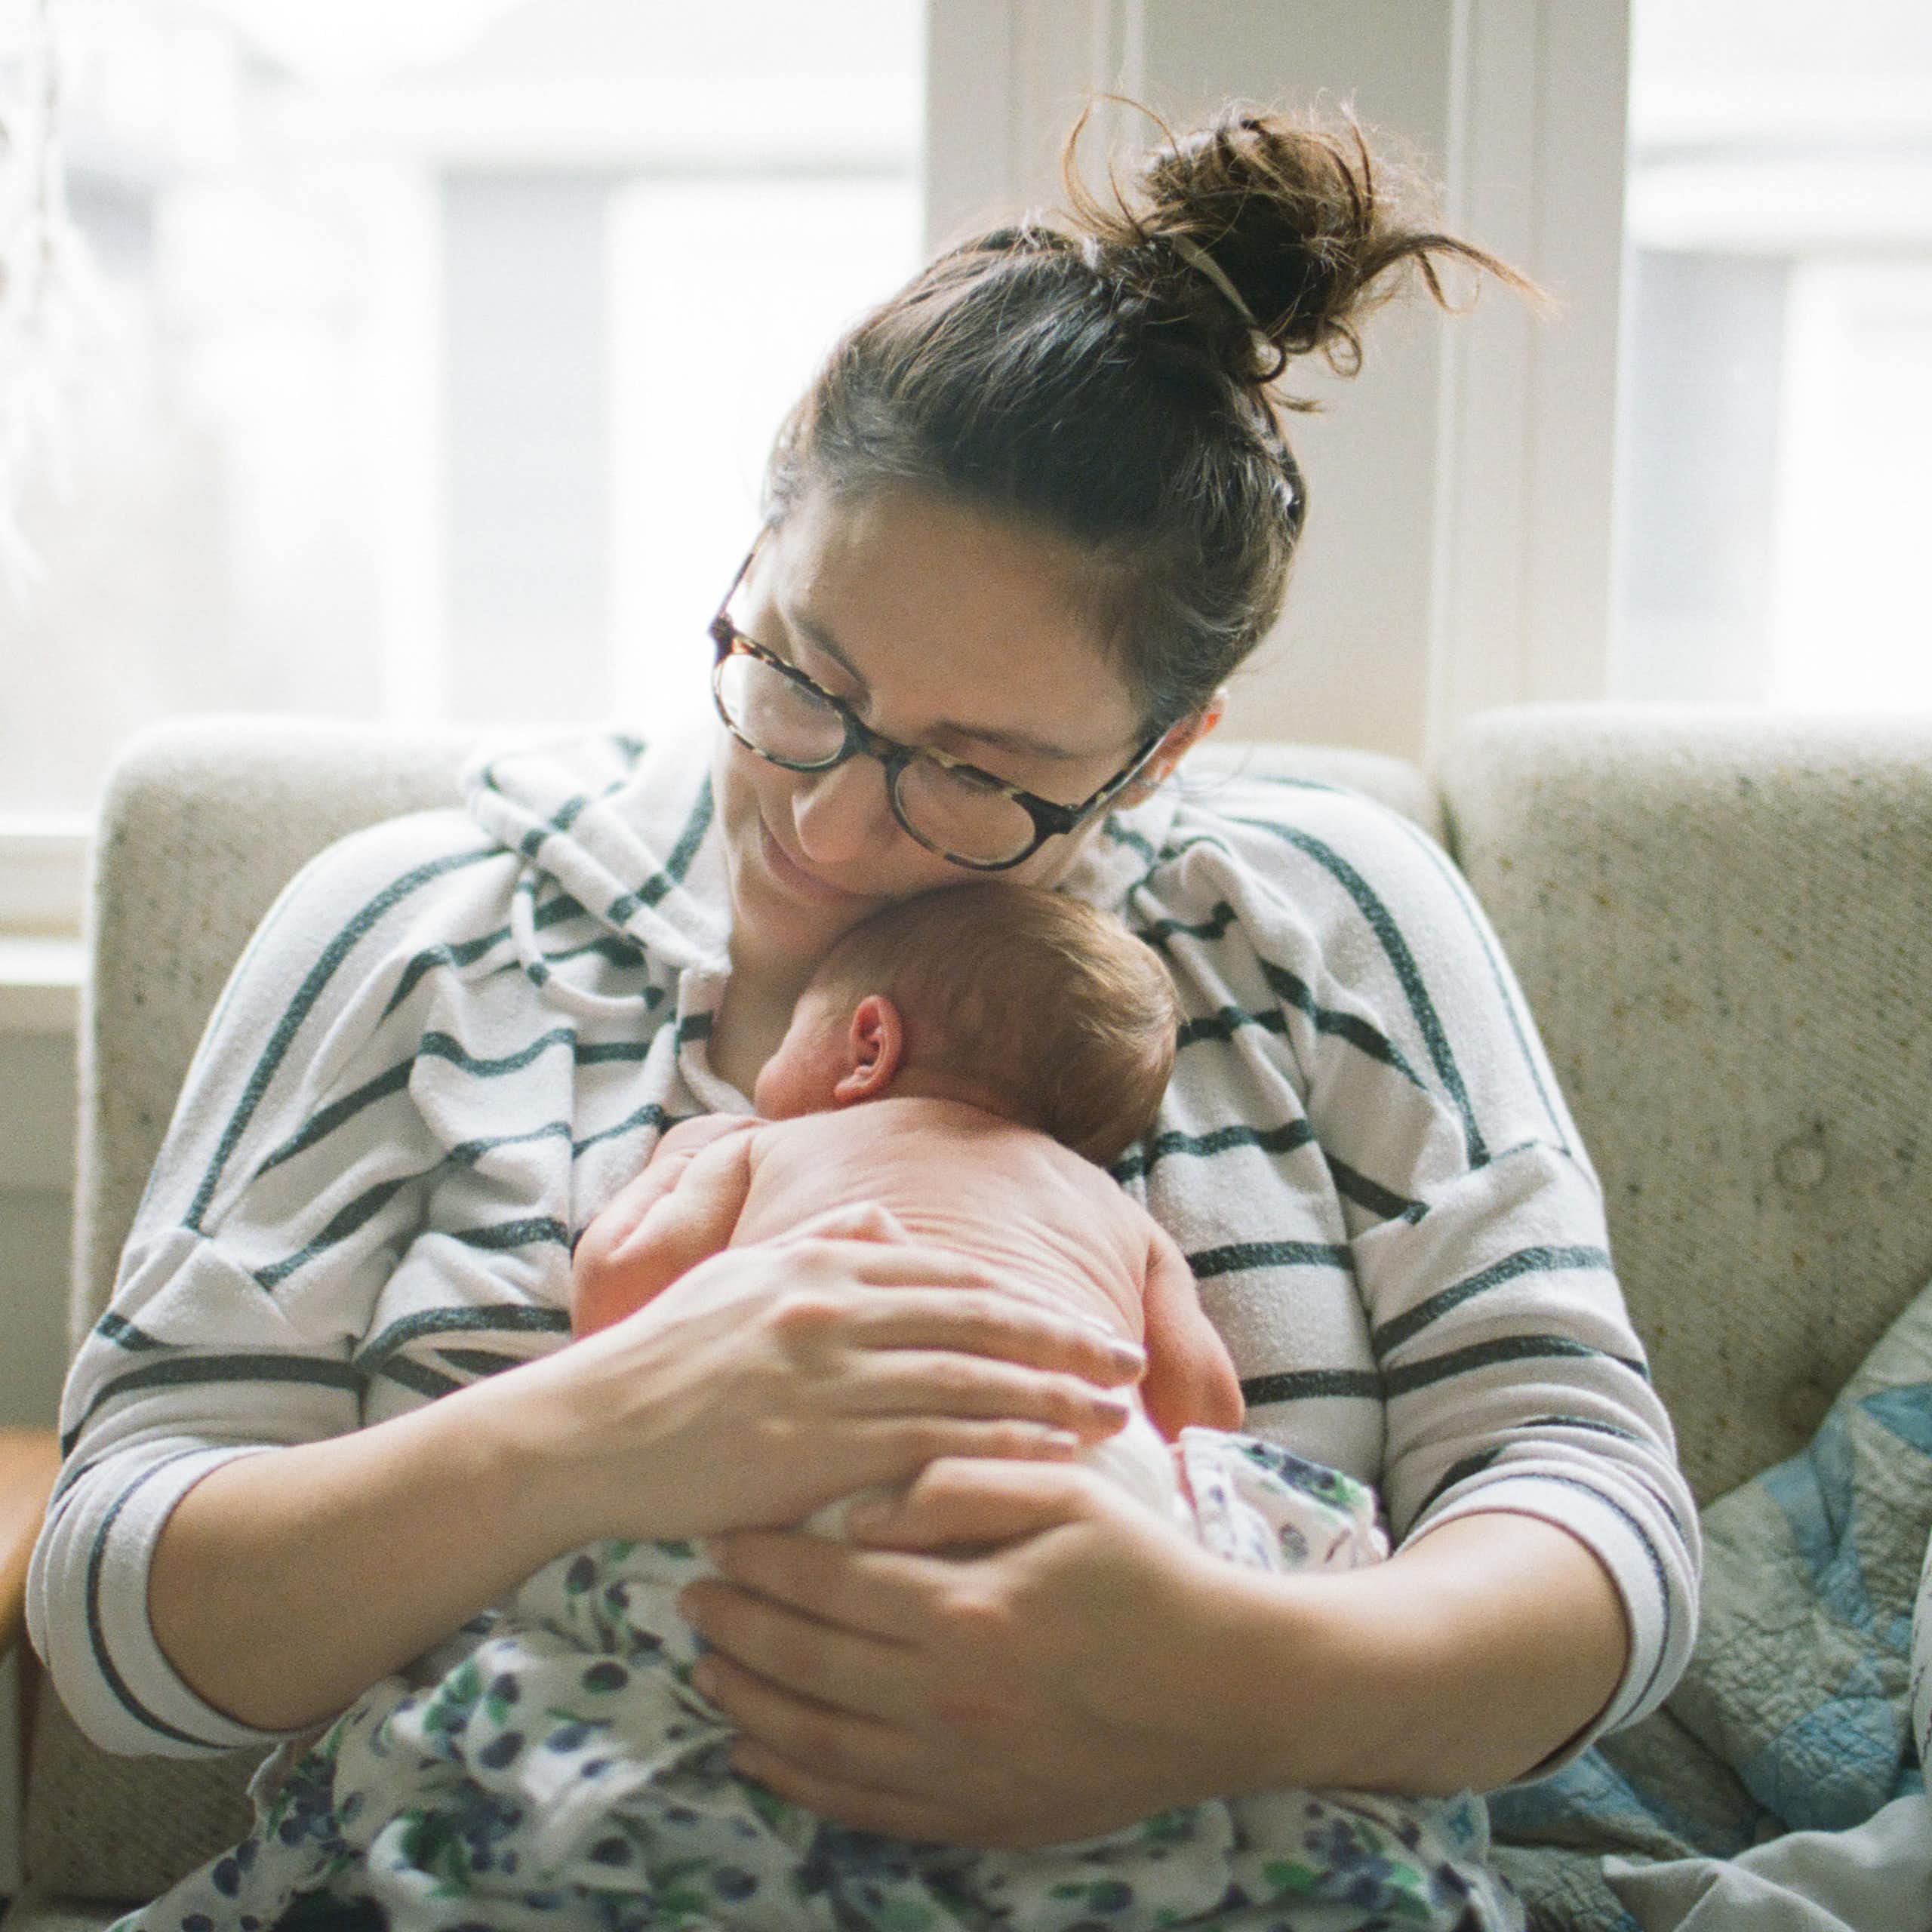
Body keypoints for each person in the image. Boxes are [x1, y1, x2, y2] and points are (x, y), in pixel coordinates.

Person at [29, 100, 1699, 1930]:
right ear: (756, 549)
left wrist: (1231, 1678)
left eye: (976, 772)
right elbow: (116, 1612)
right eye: (802, 675)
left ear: (1162, 750)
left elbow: (1587, 1502)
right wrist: (594, 1427)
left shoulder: (1320, 918)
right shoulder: (420, 929)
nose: (825, 825)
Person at [570, 878, 1245, 1463]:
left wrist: (685, 1153)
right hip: (1074, 1468)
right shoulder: (1125, 1221)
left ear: (869, 1047)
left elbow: (618, 1296)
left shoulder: (764, 1150)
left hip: (811, 1436)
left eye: (790, 1034)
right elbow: (1205, 1416)